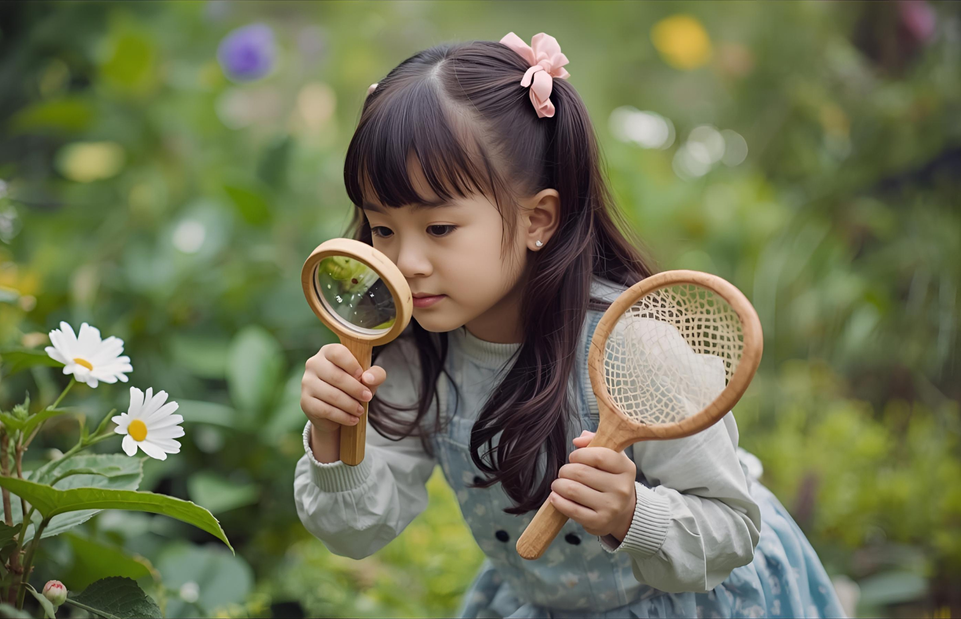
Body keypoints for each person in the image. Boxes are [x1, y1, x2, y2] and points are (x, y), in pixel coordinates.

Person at [294, 32, 847, 618]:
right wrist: (334, 438)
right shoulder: (410, 350)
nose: (406, 262)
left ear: (539, 219)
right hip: (542, 600)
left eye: (439, 229)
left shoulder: (631, 344)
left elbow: (732, 529)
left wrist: (634, 514)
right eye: (382, 229)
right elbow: (355, 534)